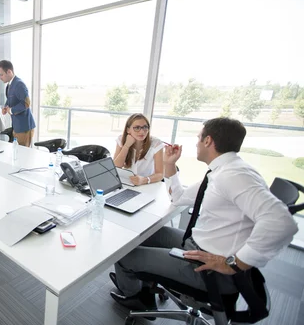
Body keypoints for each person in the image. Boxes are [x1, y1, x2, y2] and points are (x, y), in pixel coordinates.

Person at [109, 117, 298, 313]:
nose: (196, 142)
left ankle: (135, 296)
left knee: (122, 253)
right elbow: (179, 198)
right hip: (196, 245)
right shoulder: (222, 170)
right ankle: (144, 280)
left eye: (199, 137)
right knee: (142, 234)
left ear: (208, 141)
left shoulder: (233, 176)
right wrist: (170, 165)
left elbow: (282, 223)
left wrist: (233, 264)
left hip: (207, 270)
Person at [113, 113, 164, 186]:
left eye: (145, 127)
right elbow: (116, 167)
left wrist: (144, 180)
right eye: (137, 128)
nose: (142, 132)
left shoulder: (156, 143)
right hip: (127, 183)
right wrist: (126, 146)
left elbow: (160, 174)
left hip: (147, 184)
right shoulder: (121, 139)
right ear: (128, 130)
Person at [0, 60, 35, 147]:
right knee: (17, 153)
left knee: (24, 155)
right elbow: (10, 99)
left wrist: (12, 110)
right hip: (17, 125)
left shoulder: (19, 84)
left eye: (1, 75)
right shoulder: (9, 85)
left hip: (24, 126)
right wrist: (6, 107)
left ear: (9, 72)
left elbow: (27, 103)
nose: (0, 78)